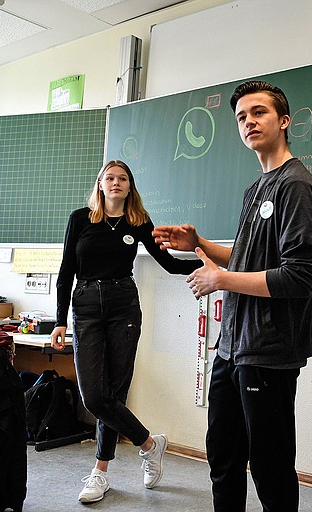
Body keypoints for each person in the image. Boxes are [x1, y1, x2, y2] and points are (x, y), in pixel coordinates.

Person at [152, 80, 312, 511]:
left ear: (284, 121)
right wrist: (202, 245)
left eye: (259, 112)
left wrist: (221, 279)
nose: (249, 122)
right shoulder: (256, 188)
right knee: (224, 457)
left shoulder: (297, 186)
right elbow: (251, 256)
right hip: (232, 345)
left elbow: (298, 277)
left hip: (269, 351)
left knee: (269, 467)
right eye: (241, 117)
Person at [50, 160, 202, 503]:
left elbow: (171, 264)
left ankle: (100, 473)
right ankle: (150, 444)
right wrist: (60, 320)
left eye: (122, 179)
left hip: (123, 306)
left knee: (114, 393)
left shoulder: (138, 222)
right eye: (110, 178)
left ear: (130, 187)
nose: (116, 183)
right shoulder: (80, 219)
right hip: (86, 305)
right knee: (94, 395)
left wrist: (210, 261)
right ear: (100, 184)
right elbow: (65, 272)